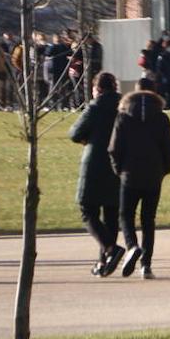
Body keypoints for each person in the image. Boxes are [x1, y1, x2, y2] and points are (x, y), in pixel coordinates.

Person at [108, 84, 170, 279]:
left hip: (129, 173)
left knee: (126, 215)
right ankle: (146, 264)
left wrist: (119, 170)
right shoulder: (161, 118)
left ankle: (132, 246)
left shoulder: (123, 117)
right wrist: (164, 169)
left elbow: (114, 148)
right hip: (154, 174)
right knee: (148, 219)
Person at [70, 72, 125, 276]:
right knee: (110, 214)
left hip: (94, 164)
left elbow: (75, 133)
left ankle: (111, 249)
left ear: (98, 89)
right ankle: (104, 261)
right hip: (117, 163)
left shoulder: (95, 107)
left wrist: (88, 138)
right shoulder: (124, 107)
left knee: (88, 210)